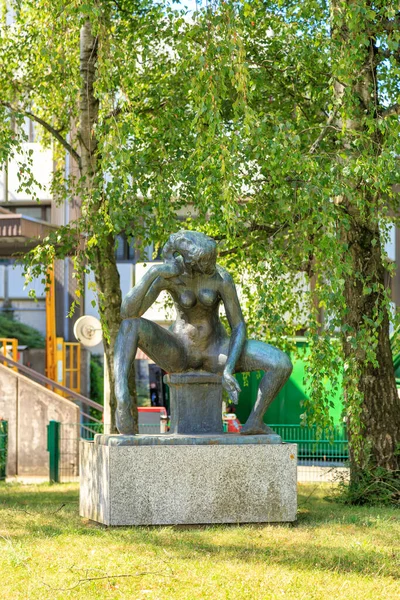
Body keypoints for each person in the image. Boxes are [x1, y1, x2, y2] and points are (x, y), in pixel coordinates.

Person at [114, 230, 292, 435]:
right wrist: (153, 273)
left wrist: (229, 369)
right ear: (191, 261)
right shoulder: (170, 275)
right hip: (178, 351)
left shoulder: (221, 277)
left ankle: (254, 422)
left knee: (280, 363)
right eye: (207, 261)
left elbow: (239, 326)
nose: (212, 264)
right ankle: (122, 394)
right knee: (130, 326)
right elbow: (127, 313)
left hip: (215, 350)